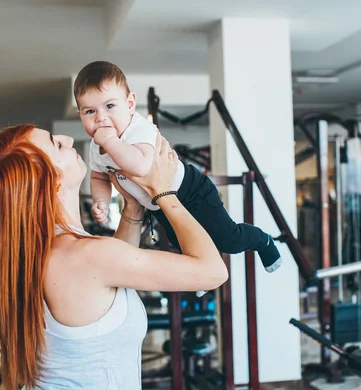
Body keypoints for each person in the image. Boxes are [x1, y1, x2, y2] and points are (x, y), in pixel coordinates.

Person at [0, 124, 228, 390]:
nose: (68, 138)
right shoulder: (85, 255)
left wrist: (132, 207)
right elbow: (212, 271)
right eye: (56, 144)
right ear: (53, 180)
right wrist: (163, 192)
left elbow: (107, 284)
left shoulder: (35, 250)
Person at [76, 61, 282, 274]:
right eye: (90, 111)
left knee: (228, 239)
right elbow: (99, 177)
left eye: (110, 106)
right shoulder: (96, 147)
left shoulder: (137, 129)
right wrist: (100, 201)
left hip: (192, 191)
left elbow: (140, 166)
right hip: (159, 203)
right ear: (80, 114)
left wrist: (110, 142)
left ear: (130, 104)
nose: (101, 118)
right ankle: (200, 276)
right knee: (180, 242)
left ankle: (262, 241)